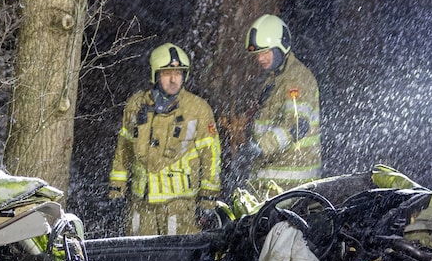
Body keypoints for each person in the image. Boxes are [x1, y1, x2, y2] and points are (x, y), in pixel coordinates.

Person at [108, 43, 222, 236]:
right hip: (141, 204)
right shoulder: (135, 105)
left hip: (179, 206)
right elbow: (123, 150)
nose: (173, 79)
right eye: (167, 73)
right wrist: (116, 191)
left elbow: (211, 156)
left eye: (178, 73)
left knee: (177, 255)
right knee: (139, 254)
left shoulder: (198, 109)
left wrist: (208, 200)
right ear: (155, 75)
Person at [236, 14, 322, 198]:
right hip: (271, 184)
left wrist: (258, 147)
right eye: (258, 54)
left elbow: (297, 125)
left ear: (281, 46)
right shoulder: (273, 80)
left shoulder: (297, 78)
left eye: (266, 52)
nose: (260, 58)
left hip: (292, 186)